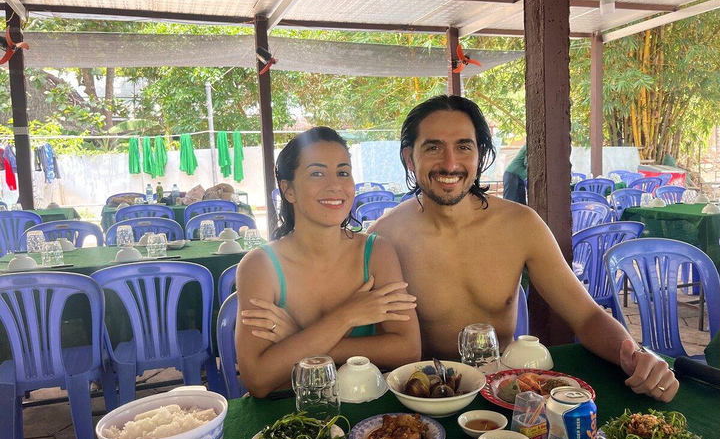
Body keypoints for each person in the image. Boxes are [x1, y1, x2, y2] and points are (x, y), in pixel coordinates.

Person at [370, 95, 679, 402]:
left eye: (464, 147)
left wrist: (635, 354)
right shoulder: (385, 238)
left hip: (502, 394)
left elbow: (586, 316)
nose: (450, 163)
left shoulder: (520, 225)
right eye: (433, 147)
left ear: (480, 156)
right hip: (425, 400)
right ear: (410, 159)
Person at [235, 127, 420, 398]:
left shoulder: (376, 252)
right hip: (290, 416)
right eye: (317, 173)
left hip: (365, 409)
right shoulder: (260, 267)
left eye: (343, 172)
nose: (335, 185)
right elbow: (258, 380)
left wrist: (297, 341)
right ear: (288, 190)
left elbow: (407, 351)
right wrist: (347, 316)